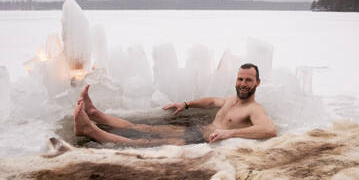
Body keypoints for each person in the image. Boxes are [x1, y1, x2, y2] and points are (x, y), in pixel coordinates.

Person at [74, 63, 277, 146]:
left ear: (257, 83)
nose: (243, 84)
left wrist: (228, 134)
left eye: (248, 80)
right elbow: (212, 101)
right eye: (240, 79)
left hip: (200, 142)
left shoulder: (254, 109)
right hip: (196, 130)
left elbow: (269, 130)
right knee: (142, 128)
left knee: (145, 143)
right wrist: (187, 104)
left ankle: (91, 131)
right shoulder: (231, 100)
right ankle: (95, 114)